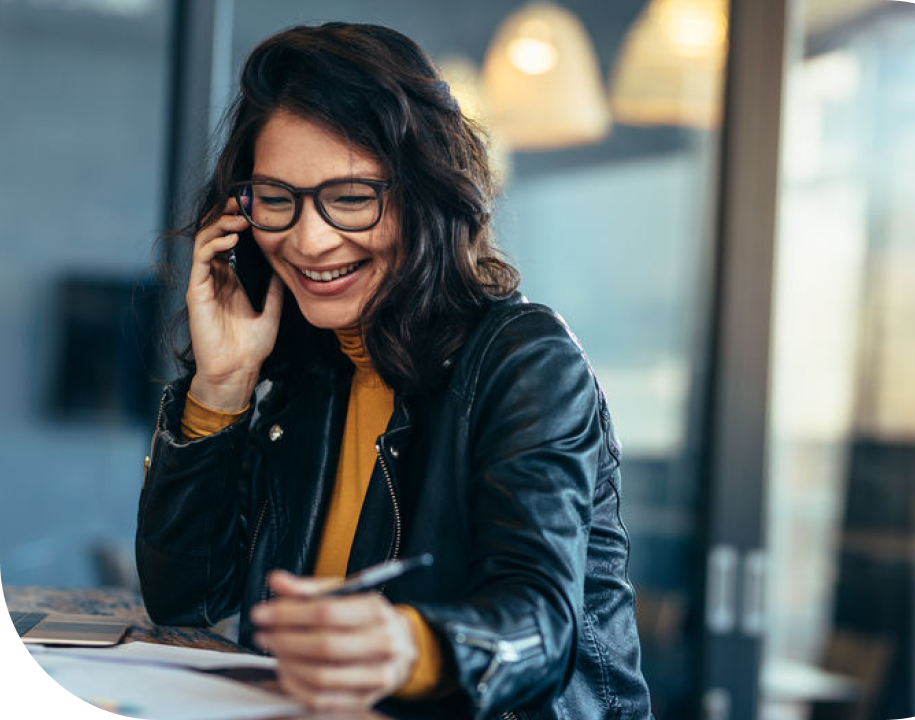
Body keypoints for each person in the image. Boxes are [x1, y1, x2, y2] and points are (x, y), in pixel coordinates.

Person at [136, 21, 652, 720]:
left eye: (351, 198)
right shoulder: (310, 376)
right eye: (277, 198)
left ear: (424, 195)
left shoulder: (526, 359)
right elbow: (184, 601)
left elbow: (539, 626)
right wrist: (221, 385)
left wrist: (408, 648)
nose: (309, 239)